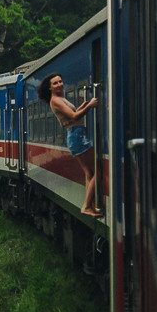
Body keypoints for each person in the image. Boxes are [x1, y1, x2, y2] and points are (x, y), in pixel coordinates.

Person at [46, 73, 101, 218]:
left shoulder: (60, 98)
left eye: (60, 81)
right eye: (55, 83)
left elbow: (74, 111)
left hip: (77, 134)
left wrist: (83, 105)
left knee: (89, 173)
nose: (59, 84)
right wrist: (90, 106)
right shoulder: (55, 101)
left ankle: (90, 206)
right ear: (50, 88)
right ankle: (87, 206)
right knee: (98, 171)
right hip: (77, 136)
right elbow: (75, 117)